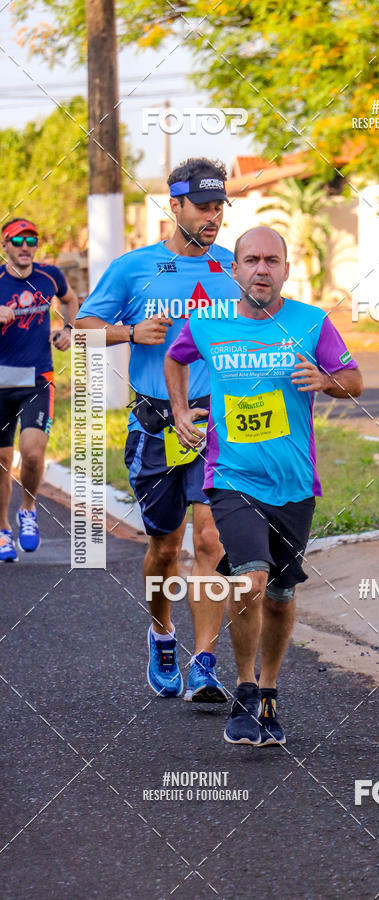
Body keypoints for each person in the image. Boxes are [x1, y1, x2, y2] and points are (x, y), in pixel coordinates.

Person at [165, 225, 363, 746]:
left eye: (271, 261)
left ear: (286, 270)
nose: (261, 269)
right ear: (234, 270)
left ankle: (270, 692)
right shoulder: (207, 323)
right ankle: (245, 688)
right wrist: (181, 410)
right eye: (251, 260)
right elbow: (175, 357)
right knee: (249, 581)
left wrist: (326, 381)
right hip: (232, 477)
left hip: (294, 483)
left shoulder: (311, 322)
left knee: (279, 594)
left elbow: (354, 380)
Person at [77, 158, 240, 703]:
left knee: (211, 539)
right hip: (155, 424)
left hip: (217, 421)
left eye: (219, 207)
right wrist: (129, 332)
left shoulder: (232, 267)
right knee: (165, 549)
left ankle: (205, 662)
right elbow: (81, 329)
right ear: (174, 206)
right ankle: (163, 632)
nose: (214, 217)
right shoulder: (134, 268)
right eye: (204, 207)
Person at [0, 218, 78, 561]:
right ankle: (3, 529)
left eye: (31, 240)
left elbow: (70, 300)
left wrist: (69, 330)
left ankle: (28, 509)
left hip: (37, 379)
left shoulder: (50, 276)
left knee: (32, 452)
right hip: (0, 383)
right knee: (3, 461)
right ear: (4, 246)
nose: (25, 247)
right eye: (17, 240)